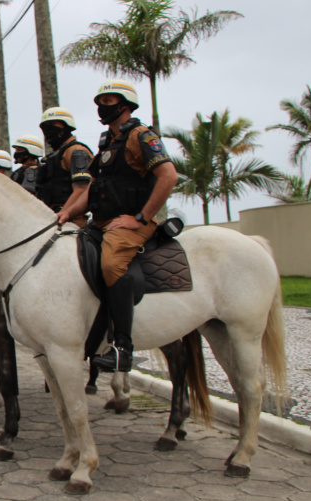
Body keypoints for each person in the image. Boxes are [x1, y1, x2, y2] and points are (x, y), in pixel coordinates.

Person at [57, 78, 177, 372]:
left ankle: (122, 348)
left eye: (108, 102)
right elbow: (92, 190)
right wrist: (65, 214)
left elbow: (168, 176)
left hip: (129, 224)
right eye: (100, 102)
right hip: (100, 222)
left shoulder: (141, 136)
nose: (102, 106)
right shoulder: (107, 143)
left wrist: (140, 218)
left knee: (112, 265)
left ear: (125, 105)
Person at [36, 107, 93, 227]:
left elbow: (81, 189)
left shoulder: (76, 151)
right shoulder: (54, 156)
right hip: (51, 218)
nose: (48, 129)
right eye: (45, 126)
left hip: (72, 221)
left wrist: (61, 215)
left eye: (52, 124)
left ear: (66, 125)